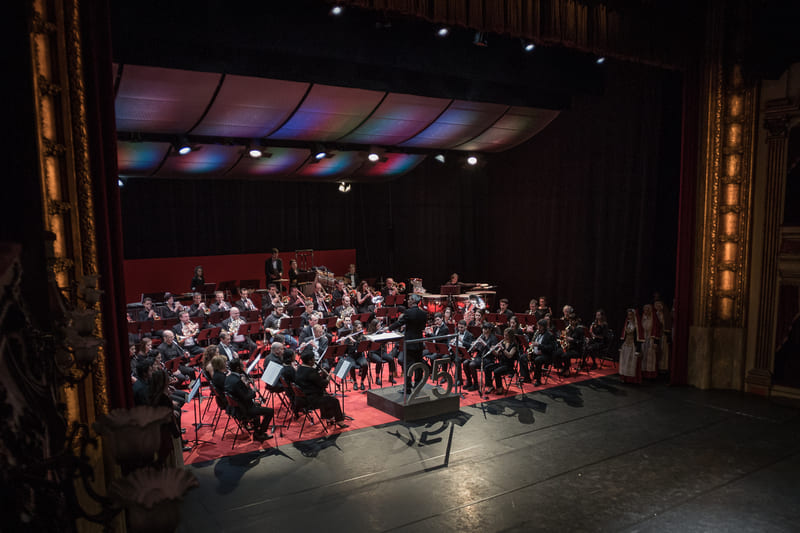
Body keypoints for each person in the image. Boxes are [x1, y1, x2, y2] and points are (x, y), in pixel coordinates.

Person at [295, 350, 348, 428]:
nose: (314, 361)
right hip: (311, 400)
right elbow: (323, 384)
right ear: (309, 361)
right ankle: (340, 421)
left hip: (302, 397)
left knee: (326, 396)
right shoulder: (311, 371)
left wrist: (319, 376)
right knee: (334, 400)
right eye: (313, 359)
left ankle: (328, 417)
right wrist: (327, 378)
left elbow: (313, 381)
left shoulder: (300, 368)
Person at [225, 359, 274, 442]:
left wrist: (245, 386)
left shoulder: (229, 377)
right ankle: (260, 434)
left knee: (258, 405)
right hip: (244, 409)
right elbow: (246, 397)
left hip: (235, 408)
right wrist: (253, 391)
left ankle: (257, 430)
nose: (244, 366)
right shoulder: (237, 381)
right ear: (237, 368)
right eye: (242, 365)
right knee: (270, 411)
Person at [388, 293, 427, 394]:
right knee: (418, 365)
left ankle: (408, 388)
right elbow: (422, 327)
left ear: (413, 301)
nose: (408, 301)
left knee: (408, 366)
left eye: (409, 299)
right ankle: (418, 386)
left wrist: (389, 328)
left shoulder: (408, 312)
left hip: (409, 343)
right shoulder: (423, 313)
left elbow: (400, 323)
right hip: (419, 343)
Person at [463, 323, 498, 391]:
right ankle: (469, 381)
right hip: (479, 356)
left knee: (472, 364)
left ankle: (476, 384)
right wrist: (474, 347)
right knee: (465, 362)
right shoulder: (482, 336)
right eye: (483, 328)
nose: (483, 330)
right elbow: (478, 349)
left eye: (485, 329)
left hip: (488, 358)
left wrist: (484, 344)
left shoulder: (493, 338)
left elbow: (492, 351)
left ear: (489, 330)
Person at [486, 328, 519, 394]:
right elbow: (497, 354)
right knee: (487, 367)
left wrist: (503, 349)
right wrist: (492, 350)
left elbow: (510, 355)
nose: (505, 337)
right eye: (504, 335)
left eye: (506, 335)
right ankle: (490, 386)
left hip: (508, 366)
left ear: (510, 336)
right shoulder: (503, 343)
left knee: (496, 371)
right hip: (501, 363)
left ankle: (500, 388)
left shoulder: (514, 345)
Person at [619, 308, 644, 383]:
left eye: (631, 315)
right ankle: (625, 378)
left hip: (633, 345)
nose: (629, 316)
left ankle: (632, 379)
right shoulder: (627, 323)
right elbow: (624, 334)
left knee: (632, 362)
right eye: (628, 315)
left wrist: (638, 349)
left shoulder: (637, 325)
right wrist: (621, 345)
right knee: (625, 361)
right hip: (626, 344)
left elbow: (639, 337)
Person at [530, 319, 557, 386]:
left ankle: (538, 380)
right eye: (538, 326)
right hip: (536, 353)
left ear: (544, 327)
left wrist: (539, 345)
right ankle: (526, 377)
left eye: (540, 327)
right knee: (523, 357)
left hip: (546, 355)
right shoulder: (537, 333)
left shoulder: (550, 335)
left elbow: (551, 348)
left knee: (537, 360)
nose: (538, 328)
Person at [449, 319, 475, 386]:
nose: (460, 329)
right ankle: (446, 377)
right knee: (446, 357)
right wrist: (452, 342)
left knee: (457, 360)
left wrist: (462, 341)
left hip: (465, 354)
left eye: (461, 327)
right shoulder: (456, 333)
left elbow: (470, 346)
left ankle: (459, 380)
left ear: (466, 327)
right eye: (459, 327)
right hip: (456, 352)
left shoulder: (470, 335)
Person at [640, 304, 661, 379]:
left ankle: (650, 374)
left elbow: (657, 329)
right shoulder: (642, 317)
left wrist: (656, 342)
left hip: (651, 338)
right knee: (643, 355)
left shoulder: (654, 318)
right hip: (644, 338)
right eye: (645, 310)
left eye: (648, 310)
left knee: (650, 356)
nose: (646, 311)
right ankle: (642, 372)